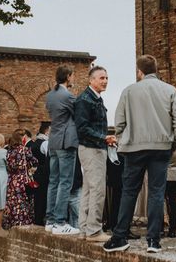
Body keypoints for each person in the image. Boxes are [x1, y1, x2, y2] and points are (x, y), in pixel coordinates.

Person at [104, 55, 176, 254]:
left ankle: (119, 236)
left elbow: (119, 122)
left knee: (129, 191)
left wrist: (125, 141)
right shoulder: (170, 90)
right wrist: (173, 142)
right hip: (161, 147)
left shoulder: (128, 91)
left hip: (134, 148)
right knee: (157, 193)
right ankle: (153, 241)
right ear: (156, 70)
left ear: (139, 72)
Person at [75, 66, 116, 242]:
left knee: (89, 190)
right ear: (91, 80)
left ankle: (84, 230)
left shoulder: (95, 98)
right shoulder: (85, 99)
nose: (105, 81)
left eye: (106, 77)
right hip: (92, 149)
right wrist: (104, 138)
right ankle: (94, 231)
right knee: (97, 190)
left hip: (93, 147)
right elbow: (82, 128)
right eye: (101, 78)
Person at [45, 65, 80, 235]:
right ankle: (60, 222)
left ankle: (50, 220)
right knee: (65, 182)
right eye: (73, 76)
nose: (74, 79)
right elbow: (79, 115)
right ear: (67, 76)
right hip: (66, 142)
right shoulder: (67, 96)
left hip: (54, 141)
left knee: (53, 181)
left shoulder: (51, 95)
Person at [2, 129, 39, 228]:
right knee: (22, 202)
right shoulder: (24, 150)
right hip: (22, 179)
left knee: (11, 202)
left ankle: (10, 222)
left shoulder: (9, 151)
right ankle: (22, 222)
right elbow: (35, 161)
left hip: (11, 180)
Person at [31, 122, 51, 226]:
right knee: (43, 199)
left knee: (38, 199)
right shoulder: (46, 143)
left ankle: (38, 220)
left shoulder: (35, 142)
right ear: (47, 131)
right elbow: (50, 160)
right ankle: (42, 220)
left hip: (37, 173)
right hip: (45, 174)